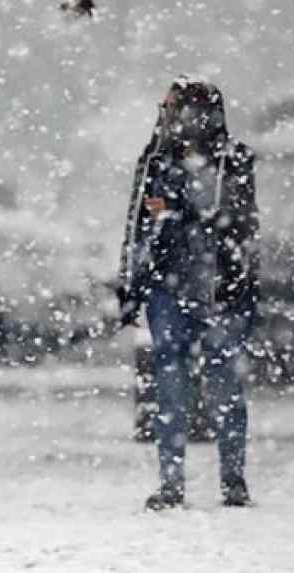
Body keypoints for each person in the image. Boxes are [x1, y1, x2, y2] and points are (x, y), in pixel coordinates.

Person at [118, 76, 259, 510]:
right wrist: (131, 282)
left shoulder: (232, 160)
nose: (170, 119)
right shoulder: (155, 162)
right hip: (170, 288)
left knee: (221, 384)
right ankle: (173, 482)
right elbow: (138, 225)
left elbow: (239, 224)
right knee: (172, 384)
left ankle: (231, 480)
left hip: (220, 289)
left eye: (175, 109)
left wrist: (235, 279)